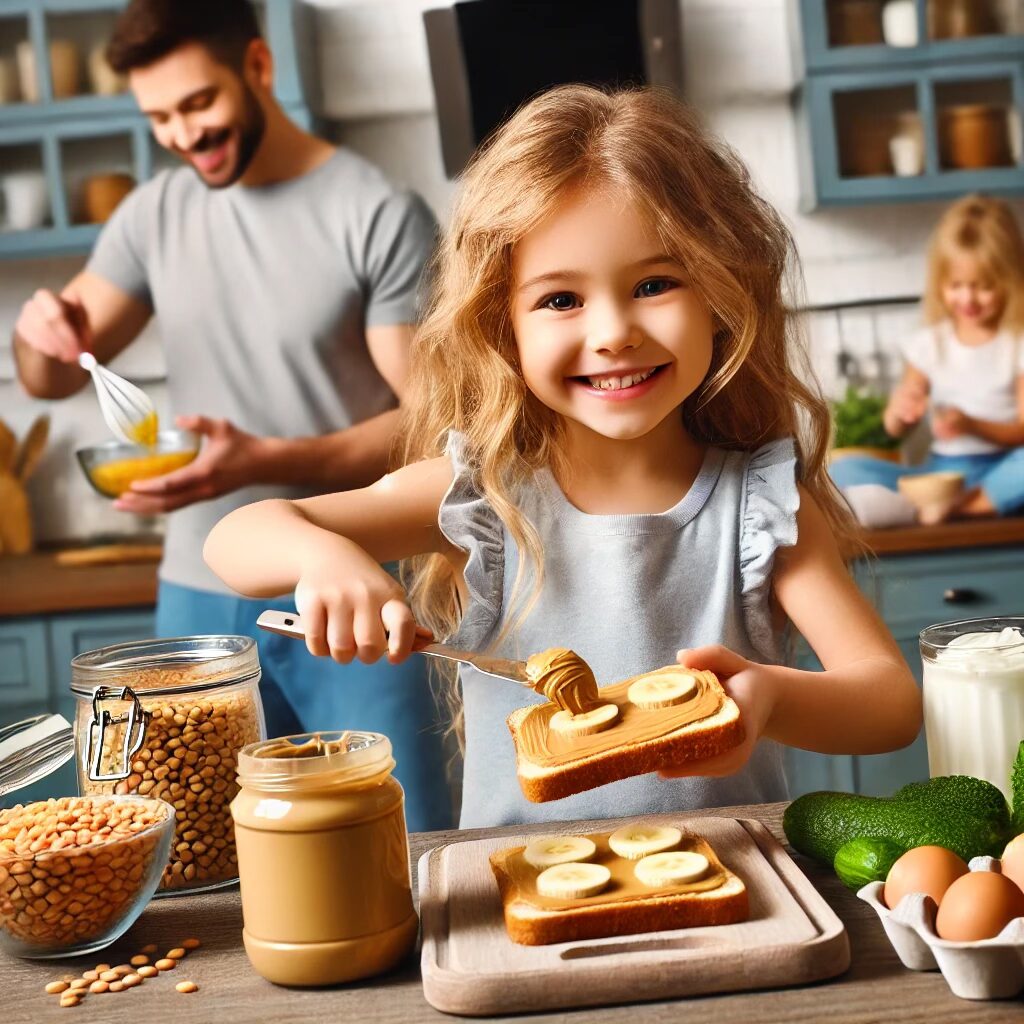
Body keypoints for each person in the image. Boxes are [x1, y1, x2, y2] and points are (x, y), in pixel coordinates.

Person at [204, 85, 922, 829]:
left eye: (653, 285)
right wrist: (326, 559)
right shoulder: (481, 498)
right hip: (519, 906)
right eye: (560, 300)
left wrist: (771, 698)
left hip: (732, 896)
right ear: (502, 325)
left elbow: (889, 704)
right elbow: (238, 537)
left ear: (719, 292)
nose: (613, 331)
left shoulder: (760, 506)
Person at [12, 0, 451, 831]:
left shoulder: (377, 213)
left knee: (401, 832)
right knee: (194, 844)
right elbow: (51, 377)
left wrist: (264, 460)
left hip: (349, 589)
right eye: (158, 117)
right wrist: (40, 334)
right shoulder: (154, 215)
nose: (181, 133)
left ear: (258, 66)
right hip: (194, 595)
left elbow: (424, 420)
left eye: (197, 104)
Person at [831, 195, 1024, 526]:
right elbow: (895, 427)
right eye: (956, 285)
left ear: (1010, 281)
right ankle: (934, 503)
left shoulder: (1016, 343)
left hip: (1000, 468)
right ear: (940, 283)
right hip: (939, 473)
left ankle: (961, 507)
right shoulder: (930, 345)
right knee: (843, 468)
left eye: (984, 287)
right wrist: (901, 412)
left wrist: (970, 425)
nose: (967, 298)